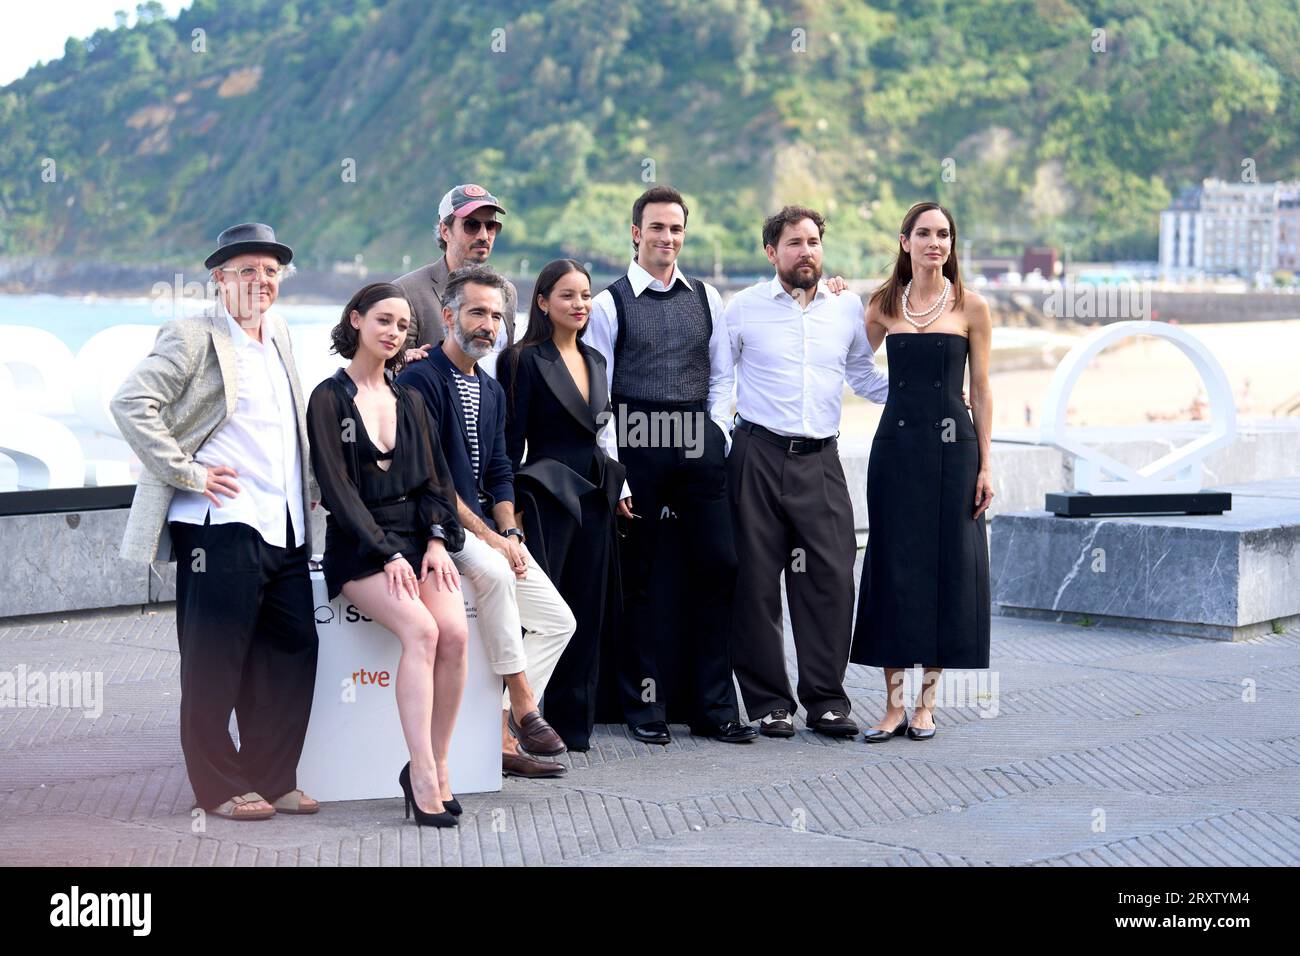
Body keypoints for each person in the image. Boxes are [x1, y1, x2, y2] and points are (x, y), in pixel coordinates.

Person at [111, 222, 320, 821]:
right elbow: (131, 403)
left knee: (292, 650)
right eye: (247, 270)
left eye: (271, 271)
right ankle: (219, 786)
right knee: (214, 659)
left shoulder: (279, 334)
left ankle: (273, 776)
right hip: (219, 522)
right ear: (219, 279)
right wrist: (188, 473)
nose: (261, 281)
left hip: (283, 524)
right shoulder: (191, 335)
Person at [585, 185, 757, 745]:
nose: (667, 238)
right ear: (636, 233)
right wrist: (620, 472)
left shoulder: (707, 297)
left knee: (719, 566)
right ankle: (645, 709)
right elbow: (599, 393)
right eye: (657, 228)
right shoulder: (609, 304)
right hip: (636, 442)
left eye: (676, 229)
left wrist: (717, 435)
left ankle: (713, 709)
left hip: (697, 440)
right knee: (641, 581)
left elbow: (722, 376)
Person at [397, 264, 577, 778]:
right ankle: (523, 704)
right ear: (449, 315)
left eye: (496, 316)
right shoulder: (420, 380)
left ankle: (500, 727)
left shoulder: (493, 391)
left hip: (487, 531)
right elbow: (432, 477)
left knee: (559, 621)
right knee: (497, 572)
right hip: (436, 528)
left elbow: (500, 472)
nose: (488, 325)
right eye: (477, 312)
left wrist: (512, 533)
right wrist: (491, 538)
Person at [724, 206, 890, 739]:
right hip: (755, 454)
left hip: (821, 459)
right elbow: (718, 382)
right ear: (771, 252)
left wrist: (925, 400)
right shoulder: (743, 308)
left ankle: (826, 701)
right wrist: (720, 444)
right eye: (794, 243)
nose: (806, 252)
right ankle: (770, 702)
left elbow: (863, 375)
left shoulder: (845, 307)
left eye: (814, 242)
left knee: (830, 580)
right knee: (754, 584)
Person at [307, 282, 468, 827]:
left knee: (456, 634)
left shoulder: (412, 400)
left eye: (402, 326)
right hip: (359, 547)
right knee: (421, 632)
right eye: (383, 321)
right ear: (355, 320)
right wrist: (387, 553)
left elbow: (435, 481)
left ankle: (441, 764)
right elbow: (337, 492)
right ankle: (420, 773)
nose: (394, 332)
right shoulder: (328, 400)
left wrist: (438, 540)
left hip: (417, 539)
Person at [851, 201, 994, 742]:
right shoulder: (883, 305)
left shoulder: (972, 307)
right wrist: (836, 298)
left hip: (953, 452)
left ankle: (927, 704)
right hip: (895, 449)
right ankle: (891, 706)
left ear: (951, 245)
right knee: (892, 566)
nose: (935, 243)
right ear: (905, 241)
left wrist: (986, 463)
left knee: (944, 568)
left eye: (944, 235)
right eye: (924, 234)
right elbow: (847, 359)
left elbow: (980, 389)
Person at [497, 259, 626, 751]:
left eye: (586, 295)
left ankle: (574, 727)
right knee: (543, 617)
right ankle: (518, 722)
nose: (580, 305)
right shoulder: (522, 359)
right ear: (544, 302)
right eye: (568, 296)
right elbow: (509, 445)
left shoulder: (596, 359)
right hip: (544, 496)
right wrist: (507, 511)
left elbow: (602, 432)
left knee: (588, 610)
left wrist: (620, 493)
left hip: (594, 495)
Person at [394, 184, 519, 367]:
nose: (484, 235)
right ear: (445, 231)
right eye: (472, 225)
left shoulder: (507, 292)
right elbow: (389, 368)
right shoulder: (406, 292)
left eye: (491, 226)